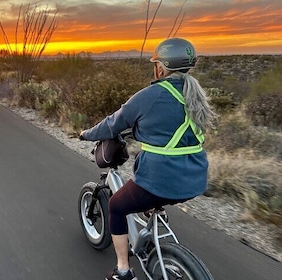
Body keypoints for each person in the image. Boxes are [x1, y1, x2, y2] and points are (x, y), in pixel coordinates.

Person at [79, 38, 217, 280]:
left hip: (162, 179)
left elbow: (113, 124)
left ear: (161, 67)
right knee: (148, 195)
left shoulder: (150, 95)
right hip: (195, 178)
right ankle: (153, 218)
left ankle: (123, 270)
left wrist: (86, 134)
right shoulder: (195, 94)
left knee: (116, 206)